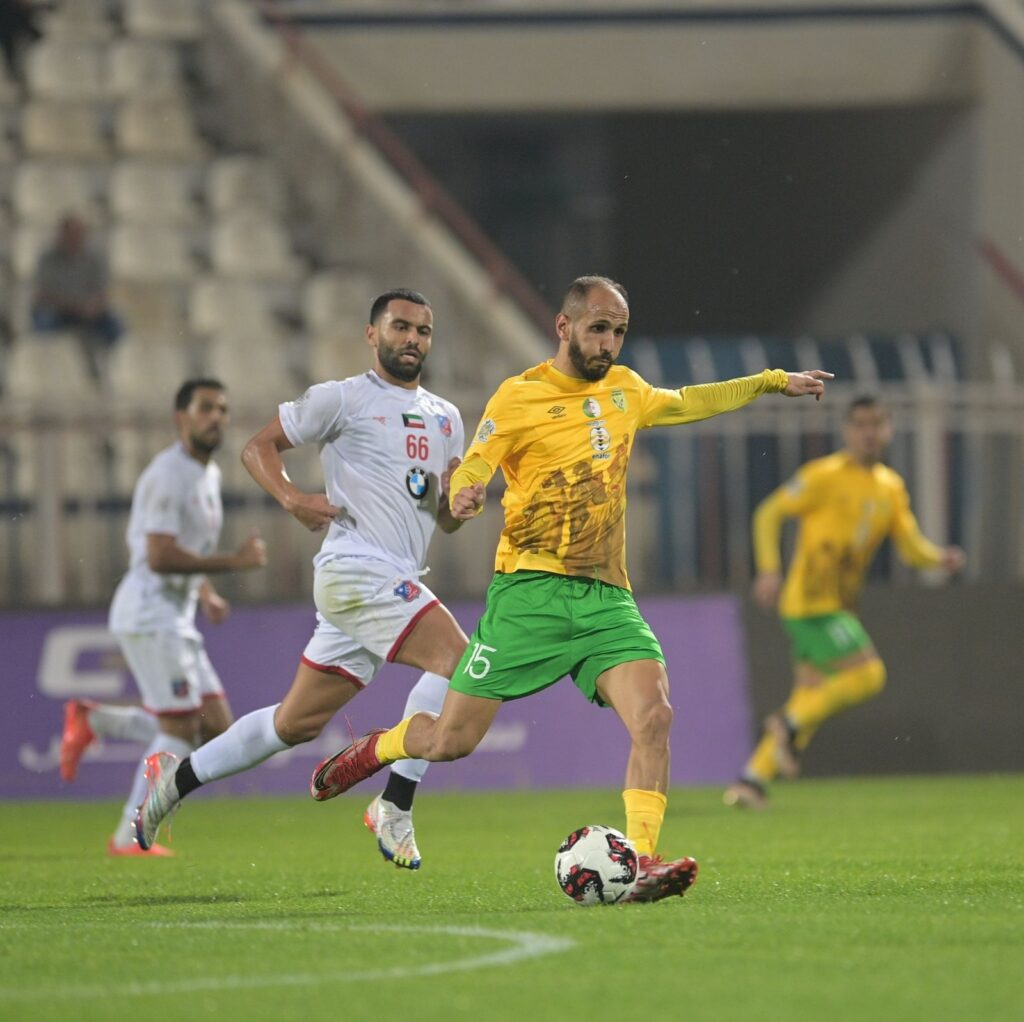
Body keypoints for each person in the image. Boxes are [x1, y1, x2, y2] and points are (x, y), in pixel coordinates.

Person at [297, 275, 831, 904]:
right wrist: (465, 491)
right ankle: (379, 748)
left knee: (655, 717)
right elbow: (476, 462)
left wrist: (771, 381)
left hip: (607, 599)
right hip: (529, 595)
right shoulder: (519, 395)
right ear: (564, 326)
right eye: (598, 328)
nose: (608, 342)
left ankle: (639, 864)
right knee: (450, 742)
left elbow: (690, 400)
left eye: (619, 332)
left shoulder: (628, 390)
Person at [134, 289, 466, 870]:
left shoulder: (446, 417)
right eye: (401, 327)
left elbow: (441, 515)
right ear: (372, 334)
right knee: (464, 664)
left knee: (295, 723)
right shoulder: (344, 398)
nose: (412, 339)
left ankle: (174, 780)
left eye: (423, 331)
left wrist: (459, 507)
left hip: (390, 579)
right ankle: (396, 802)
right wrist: (292, 499)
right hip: (356, 570)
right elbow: (257, 447)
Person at [723, 395, 966, 810]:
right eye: (860, 424)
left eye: (876, 423)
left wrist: (938, 557)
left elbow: (910, 547)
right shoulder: (824, 475)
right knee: (868, 674)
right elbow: (768, 513)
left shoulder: (890, 487)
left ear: (887, 429)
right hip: (810, 603)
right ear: (847, 431)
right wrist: (768, 569)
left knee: (811, 694)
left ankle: (750, 782)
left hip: (837, 604)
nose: (868, 432)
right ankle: (787, 725)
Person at [60, 378, 267, 855]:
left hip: (176, 616)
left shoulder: (207, 474)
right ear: (182, 417)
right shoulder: (167, 474)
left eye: (222, 409)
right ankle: (129, 837)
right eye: (205, 408)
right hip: (149, 613)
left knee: (216, 728)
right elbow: (160, 555)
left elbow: (186, 551)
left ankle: (96, 721)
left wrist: (207, 593)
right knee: (177, 728)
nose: (216, 417)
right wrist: (233, 564)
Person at [31, 214, 123, 382]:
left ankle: (107, 371)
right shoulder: (47, 257)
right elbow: (43, 294)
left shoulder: (95, 258)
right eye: (71, 234)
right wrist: (76, 306)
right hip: (57, 311)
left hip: (88, 312)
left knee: (116, 327)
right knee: (43, 325)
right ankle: (45, 371)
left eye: (79, 233)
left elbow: (103, 292)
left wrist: (94, 306)